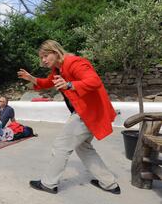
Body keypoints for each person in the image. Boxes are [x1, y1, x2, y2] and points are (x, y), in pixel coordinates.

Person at [18, 40, 120, 195]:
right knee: (83, 147)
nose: (43, 60)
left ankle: (48, 183)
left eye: (46, 56)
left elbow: (94, 81)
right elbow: (47, 82)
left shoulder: (74, 63)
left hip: (86, 114)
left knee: (61, 146)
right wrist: (31, 78)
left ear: (55, 51)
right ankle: (109, 183)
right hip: (86, 113)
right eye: (42, 57)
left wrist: (70, 85)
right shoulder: (58, 69)